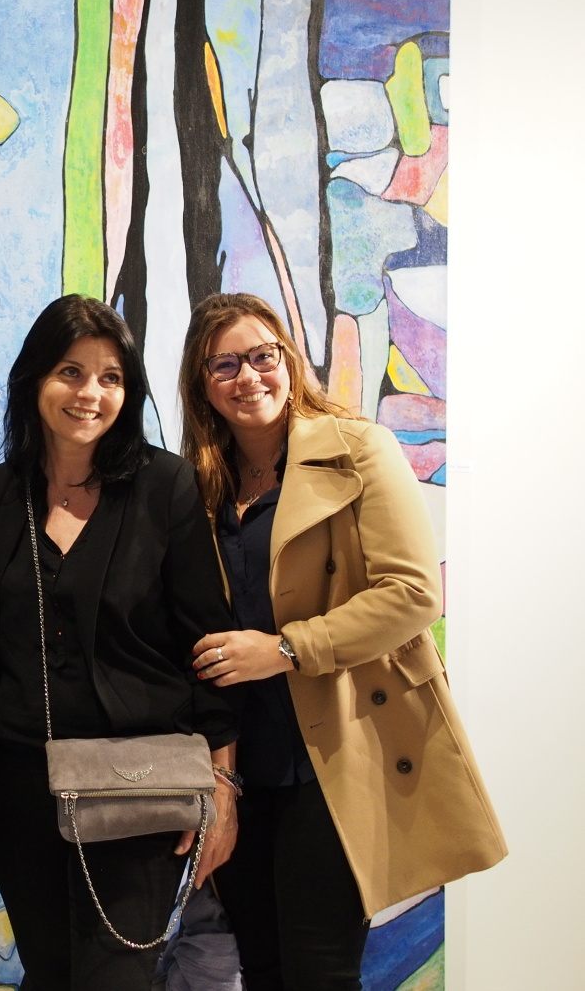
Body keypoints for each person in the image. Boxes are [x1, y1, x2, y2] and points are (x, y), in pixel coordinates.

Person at [177, 292, 506, 990]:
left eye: (262, 356)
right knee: (262, 969)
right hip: (240, 762)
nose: (248, 377)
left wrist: (285, 648)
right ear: (201, 383)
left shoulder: (358, 448)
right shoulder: (199, 485)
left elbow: (412, 592)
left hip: (334, 752)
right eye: (225, 365)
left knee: (320, 973)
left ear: (289, 359)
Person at [0, 295, 239, 990]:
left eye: (110, 377)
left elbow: (207, 643)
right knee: (51, 974)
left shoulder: (164, 487)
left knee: (116, 975)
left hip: (139, 785)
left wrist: (223, 783)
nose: (90, 393)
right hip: (21, 791)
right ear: (34, 379)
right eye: (71, 371)